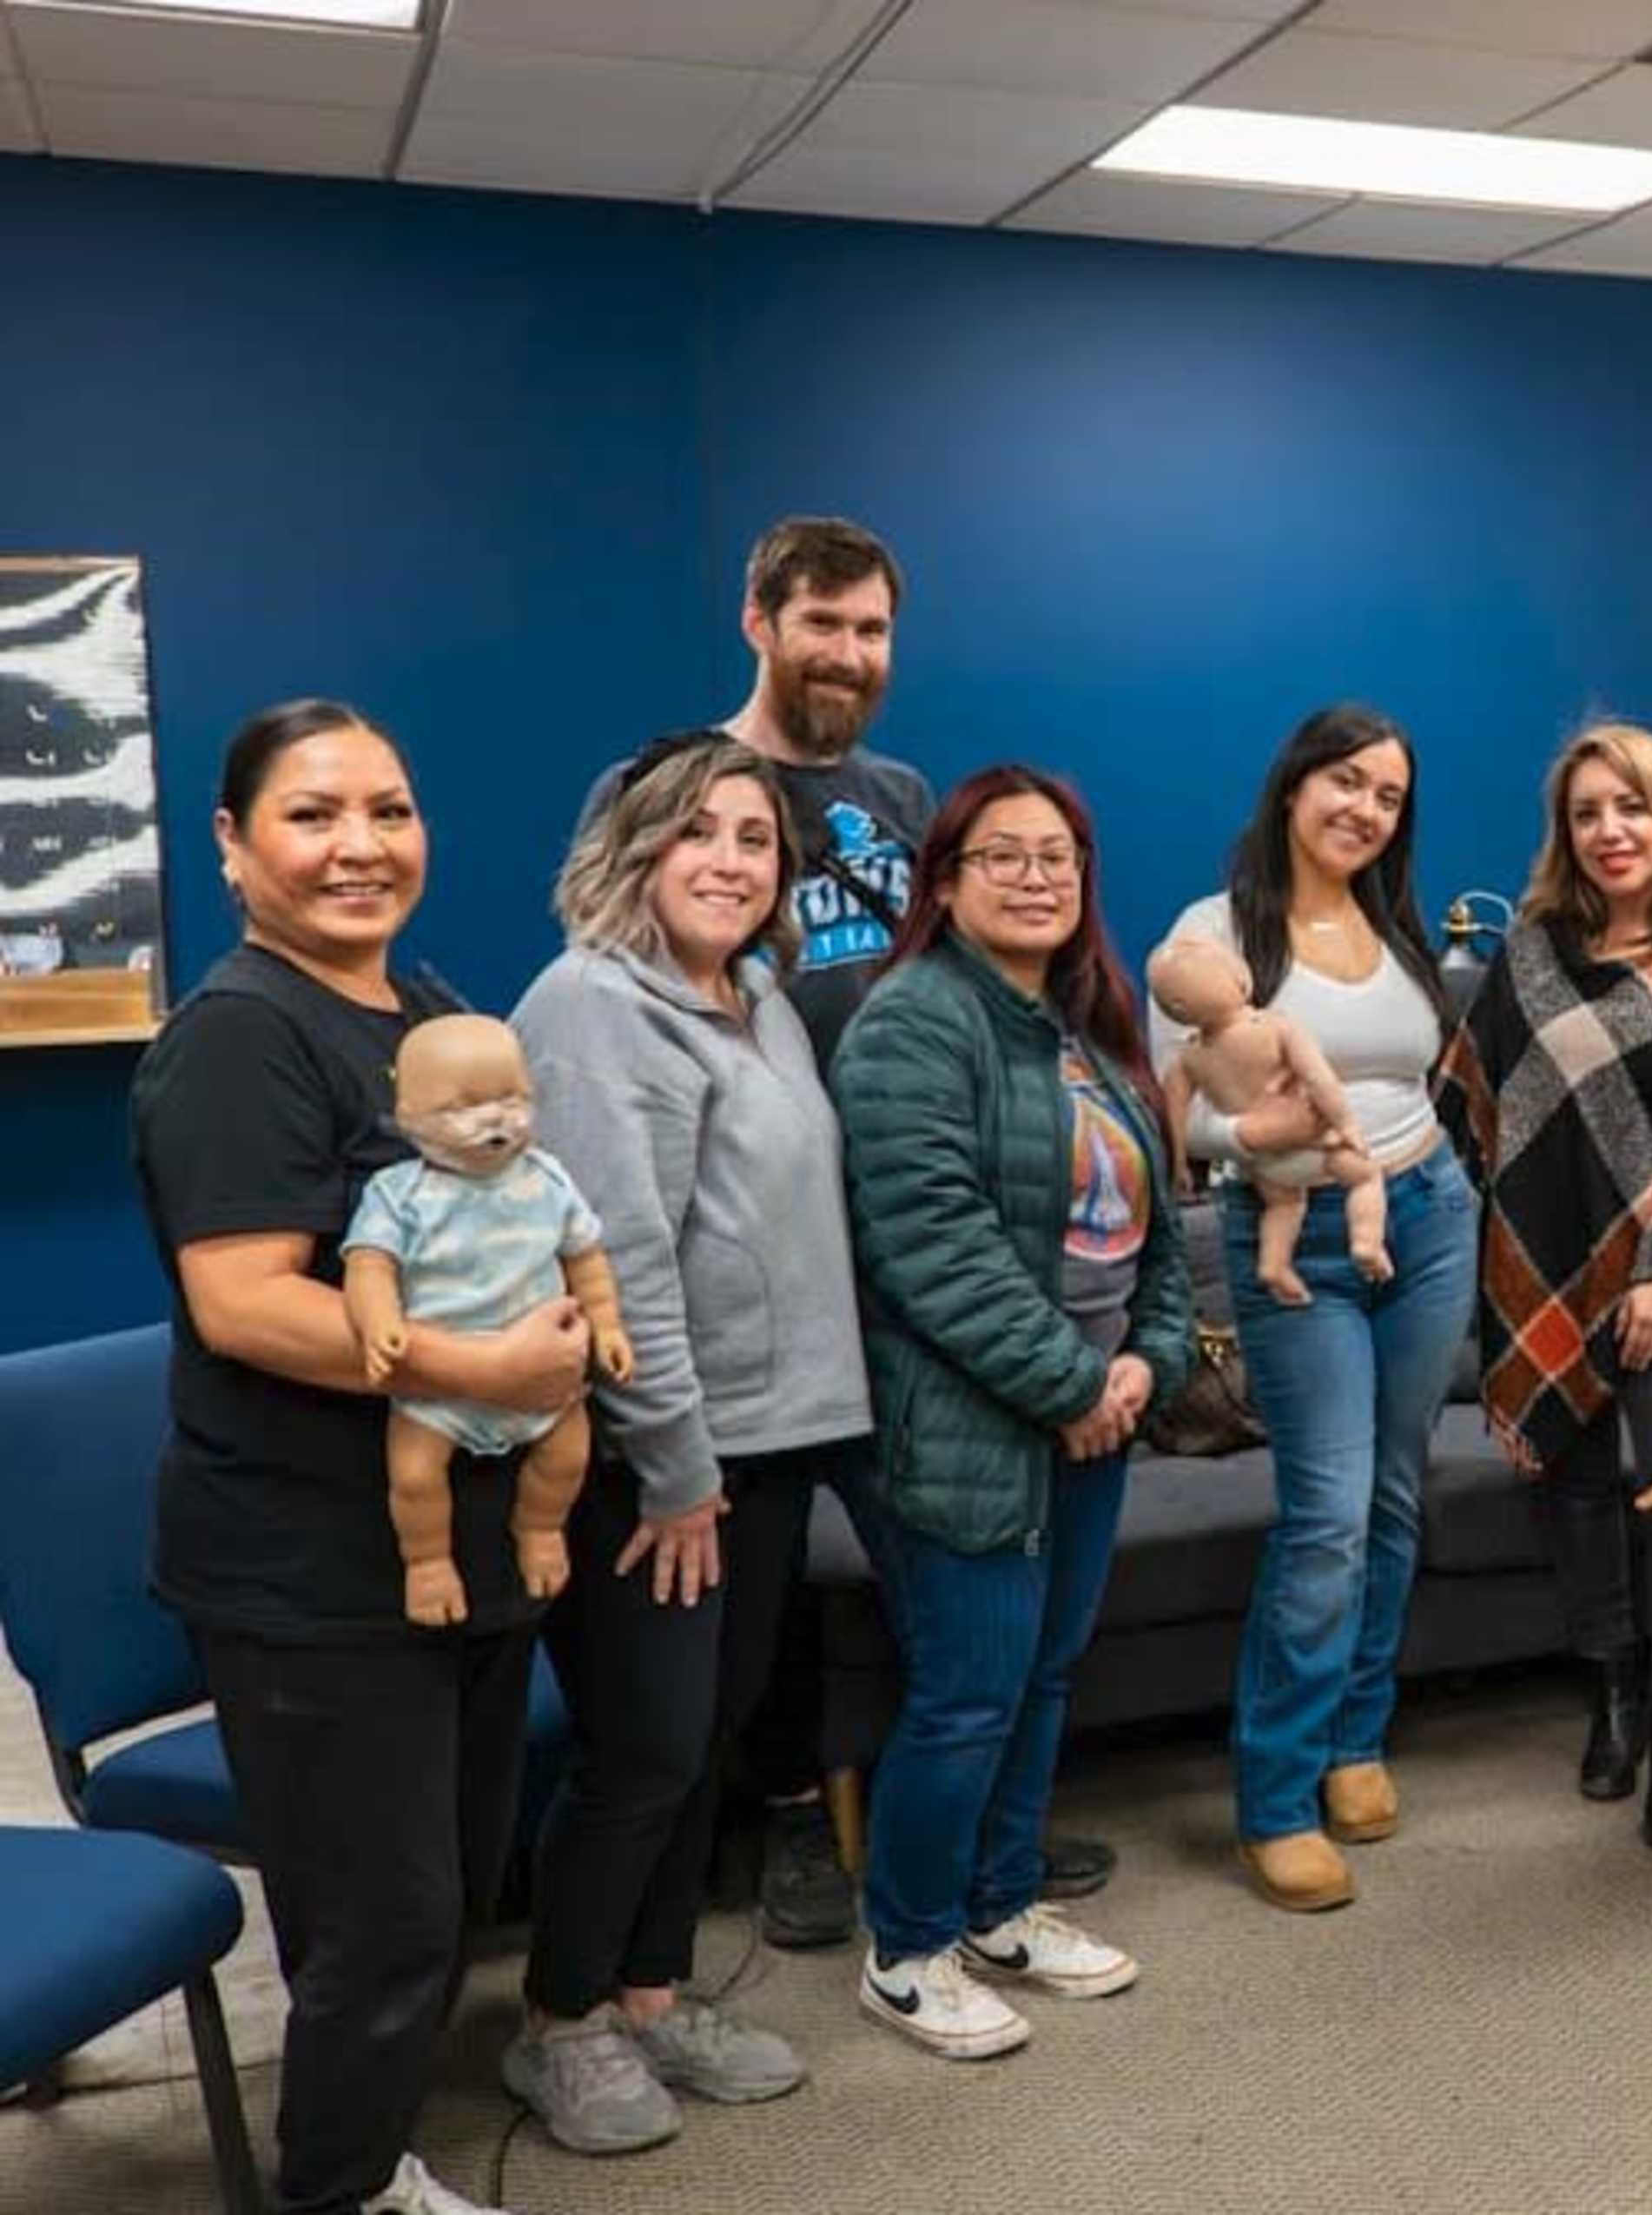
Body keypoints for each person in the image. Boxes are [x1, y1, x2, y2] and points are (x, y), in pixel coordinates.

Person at [132, 699, 585, 2215]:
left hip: (448, 1550)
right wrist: (489, 1367)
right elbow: (247, 1302)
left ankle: (373, 2160)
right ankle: (334, 2191)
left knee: (436, 1900)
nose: (360, 846)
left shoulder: (416, 1009)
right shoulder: (238, 1038)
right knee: (379, 1928)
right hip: (312, 1570)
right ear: (232, 842)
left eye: (388, 810)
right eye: (313, 814)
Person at [572, 518, 1019, 1950]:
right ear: (757, 620)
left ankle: (952, 1828)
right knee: (746, 1590)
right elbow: (614, 1001)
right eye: (822, 622)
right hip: (743, 1242)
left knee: (936, 1562)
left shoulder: (900, 795)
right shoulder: (669, 785)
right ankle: (779, 1828)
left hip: (890, 1243)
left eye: (872, 629)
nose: (849, 653)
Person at [496, 737, 864, 2152]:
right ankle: (558, 2018)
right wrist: (677, 1462)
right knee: (644, 1743)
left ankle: (650, 1992)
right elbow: (618, 1258)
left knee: (706, 1735)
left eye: (756, 838)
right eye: (697, 831)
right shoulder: (590, 1003)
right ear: (634, 848)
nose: (730, 859)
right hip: (656, 1458)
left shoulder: (756, 998)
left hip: (769, 1437)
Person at [830, 767, 1193, 2060]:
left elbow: (1158, 1231)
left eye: (1060, 857)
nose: (1038, 878)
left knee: (1042, 1677)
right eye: (1005, 855)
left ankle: (997, 1907)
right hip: (970, 1423)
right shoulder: (910, 1024)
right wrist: (1075, 1385)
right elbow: (932, 1244)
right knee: (968, 1692)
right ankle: (907, 1949)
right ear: (944, 880)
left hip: (1094, 1416)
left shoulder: (1084, 1024)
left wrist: (1147, 1363)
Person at [1435, 720, 1652, 1854]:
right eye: (1586, 812)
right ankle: (1615, 1685)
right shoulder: (1530, 954)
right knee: (1575, 1482)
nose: (1609, 831)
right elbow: (1475, 1104)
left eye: (1630, 807)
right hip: (1546, 1259)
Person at [1149, 704, 1481, 1914]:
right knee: (1327, 1513)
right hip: (1295, 1234)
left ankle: (1355, 1737)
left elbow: (1418, 1074)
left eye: (1388, 795)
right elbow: (1178, 1120)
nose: (1365, 809)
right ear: (1294, 785)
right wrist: (1259, 1131)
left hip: (1428, 1214)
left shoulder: (1394, 922)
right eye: (1346, 781)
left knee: (1393, 1493)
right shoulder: (1213, 936)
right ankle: (1278, 1796)